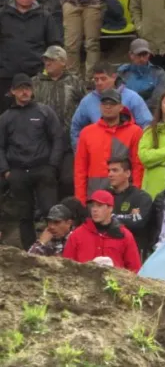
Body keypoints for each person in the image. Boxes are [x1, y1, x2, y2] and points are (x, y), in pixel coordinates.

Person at [0, 73, 64, 250]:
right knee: (24, 215)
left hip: (43, 169)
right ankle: (30, 252)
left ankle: (56, 248)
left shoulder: (44, 111)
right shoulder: (5, 118)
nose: (24, 92)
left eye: (27, 88)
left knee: (51, 212)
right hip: (18, 172)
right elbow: (0, 146)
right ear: (13, 91)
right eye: (20, 89)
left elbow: (58, 137)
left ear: (32, 90)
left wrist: (53, 165)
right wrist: (6, 171)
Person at [0, 0, 62, 110]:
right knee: (5, 114)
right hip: (6, 76)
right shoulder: (2, 15)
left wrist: (48, 68)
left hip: (36, 75)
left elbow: (55, 45)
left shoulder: (45, 17)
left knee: (37, 112)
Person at [73, 88, 145, 203]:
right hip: (95, 197)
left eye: (112, 103)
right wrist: (80, 201)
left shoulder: (135, 132)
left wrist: (136, 195)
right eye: (104, 103)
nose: (108, 107)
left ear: (121, 107)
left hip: (125, 197)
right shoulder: (86, 133)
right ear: (100, 106)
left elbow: (138, 166)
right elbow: (80, 170)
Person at [32, 46, 85, 200]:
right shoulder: (35, 82)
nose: (47, 63)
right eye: (45, 60)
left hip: (67, 142)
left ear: (63, 62)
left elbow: (86, 106)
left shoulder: (75, 82)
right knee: (45, 179)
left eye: (52, 60)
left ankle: (66, 210)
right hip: (43, 142)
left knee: (68, 180)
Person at [70, 63, 152, 149]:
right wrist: (81, 151)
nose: (99, 83)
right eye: (96, 79)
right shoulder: (87, 101)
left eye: (103, 79)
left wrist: (141, 150)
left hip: (128, 151)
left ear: (114, 77)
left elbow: (147, 125)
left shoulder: (132, 97)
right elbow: (76, 127)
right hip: (98, 151)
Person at [62, 189, 142, 272]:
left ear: (110, 208)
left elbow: (135, 270)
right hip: (84, 279)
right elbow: (66, 268)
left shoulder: (125, 235)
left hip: (115, 280)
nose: (94, 209)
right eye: (93, 206)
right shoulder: (77, 235)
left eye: (99, 205)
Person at [106, 156, 153, 252]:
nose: (110, 174)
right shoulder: (104, 196)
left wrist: (110, 218)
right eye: (109, 171)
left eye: (115, 170)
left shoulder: (142, 197)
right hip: (108, 250)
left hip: (134, 250)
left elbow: (137, 223)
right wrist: (126, 218)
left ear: (127, 173)